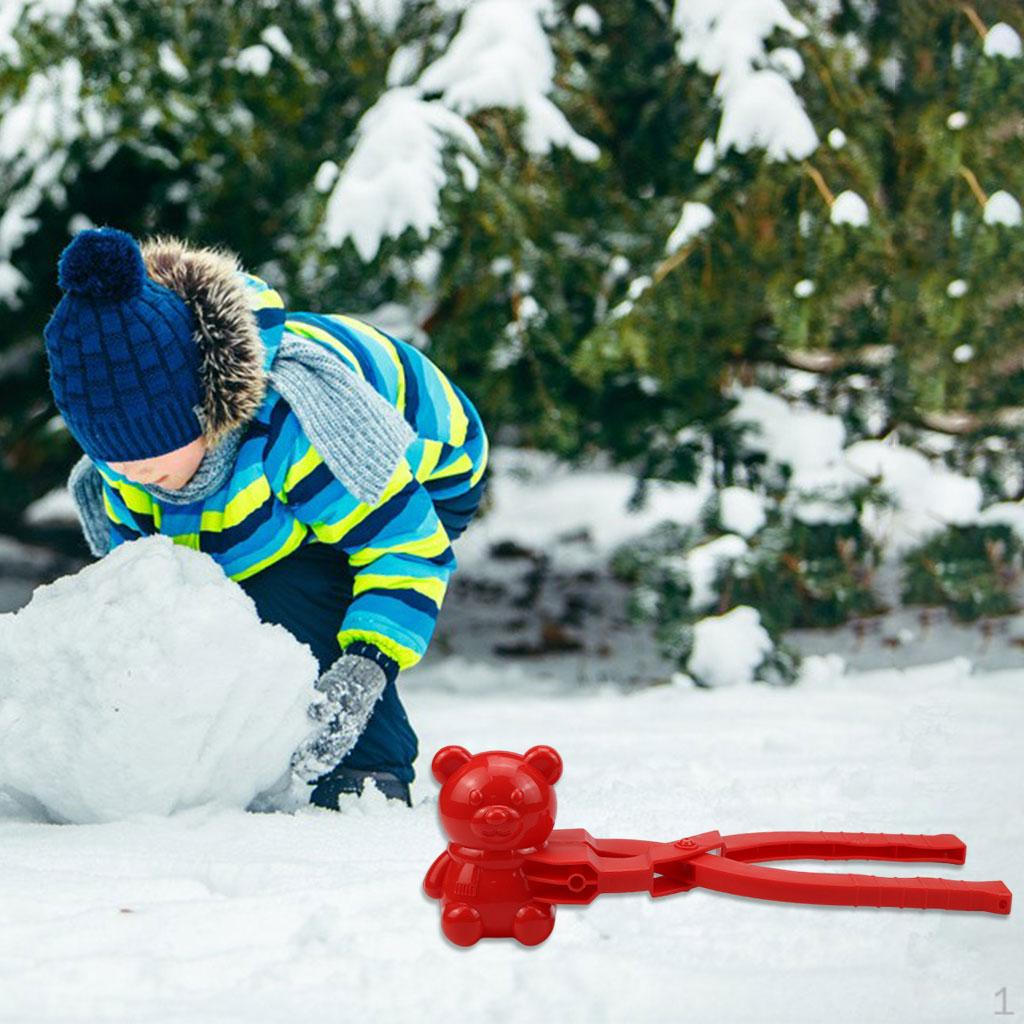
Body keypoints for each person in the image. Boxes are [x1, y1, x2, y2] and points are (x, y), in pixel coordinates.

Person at [42, 226, 490, 809]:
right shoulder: (130, 469)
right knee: (222, 575)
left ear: (204, 411)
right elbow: (151, 585)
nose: (136, 477)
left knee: (288, 584)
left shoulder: (301, 429)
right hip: (262, 482)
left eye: (151, 459)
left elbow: (406, 544)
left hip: (414, 466)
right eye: (116, 463)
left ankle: (368, 766)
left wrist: (367, 664)